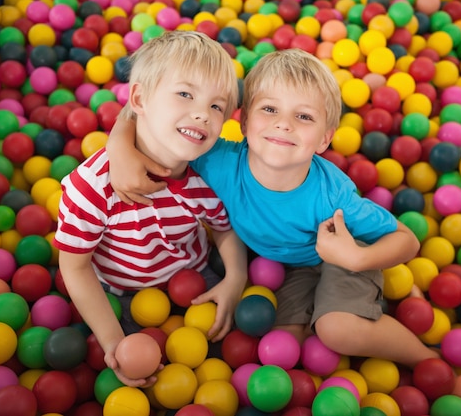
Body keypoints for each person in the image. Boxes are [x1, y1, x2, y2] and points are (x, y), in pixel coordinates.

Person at [105, 48, 440, 368]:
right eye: (269, 109)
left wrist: (357, 258)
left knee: (336, 331)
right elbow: (153, 115)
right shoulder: (218, 161)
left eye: (304, 116)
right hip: (289, 267)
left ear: (325, 139)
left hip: (344, 256)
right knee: (279, 347)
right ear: (245, 120)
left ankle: (426, 358)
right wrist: (118, 146)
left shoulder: (332, 197)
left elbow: (407, 239)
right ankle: (374, 300)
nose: (284, 124)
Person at [53, 31, 248, 387]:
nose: (202, 115)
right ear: (139, 98)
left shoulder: (209, 177)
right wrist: (112, 340)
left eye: (216, 106)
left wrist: (235, 278)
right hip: (120, 293)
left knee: (230, 355)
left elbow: (223, 227)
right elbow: (74, 266)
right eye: (185, 94)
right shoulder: (92, 187)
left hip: (194, 279)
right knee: (137, 372)